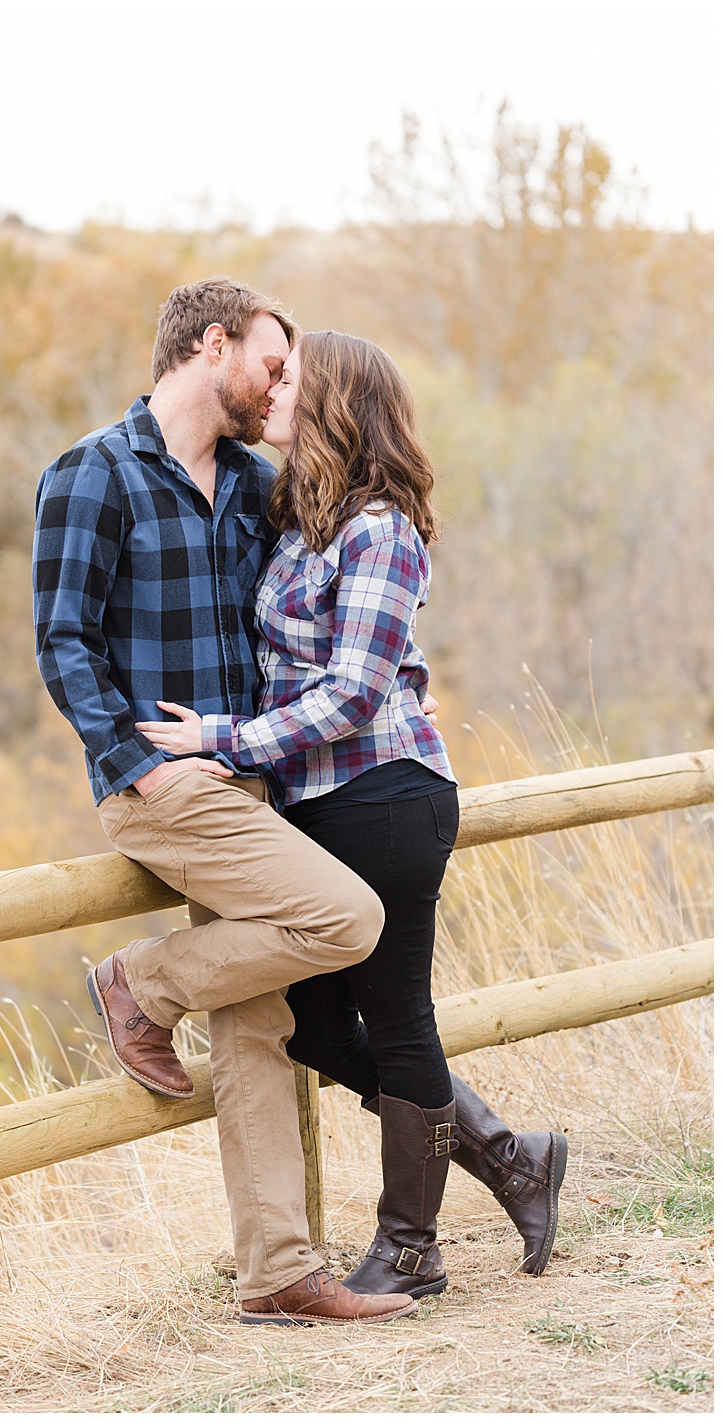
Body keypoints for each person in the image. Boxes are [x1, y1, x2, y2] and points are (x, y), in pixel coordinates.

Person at [137, 331, 567, 1296]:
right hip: (314, 806)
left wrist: (223, 739)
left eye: (291, 378)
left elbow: (351, 696)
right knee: (318, 1030)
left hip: (385, 796)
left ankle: (410, 1248)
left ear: (334, 401)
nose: (272, 389)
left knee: (399, 1021)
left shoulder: (380, 529)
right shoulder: (302, 517)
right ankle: (511, 1160)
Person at [34, 277, 414, 1326]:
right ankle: (139, 983)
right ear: (213, 345)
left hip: (252, 778)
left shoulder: (252, 485)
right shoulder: (90, 474)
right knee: (342, 917)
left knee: (255, 1026)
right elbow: (59, 640)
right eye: (269, 362)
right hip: (158, 785)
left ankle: (277, 1274)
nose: (277, 384)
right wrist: (138, 762)